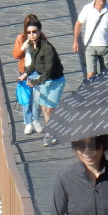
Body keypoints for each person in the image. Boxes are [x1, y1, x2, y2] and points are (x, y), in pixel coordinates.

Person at [20, 16, 65, 146]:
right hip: (44, 81)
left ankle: (49, 134)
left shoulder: (47, 47)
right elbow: (34, 65)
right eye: (29, 32)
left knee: (50, 108)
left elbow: (48, 70)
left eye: (34, 32)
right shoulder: (33, 46)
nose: (32, 35)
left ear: (40, 32)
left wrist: (36, 82)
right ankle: (53, 132)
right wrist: (25, 74)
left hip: (56, 80)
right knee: (45, 108)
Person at [72, 0, 108, 78]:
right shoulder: (87, 8)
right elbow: (78, 24)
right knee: (91, 74)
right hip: (90, 46)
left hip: (106, 46)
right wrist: (75, 41)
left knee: (106, 75)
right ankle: (90, 91)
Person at [12, 13, 43, 134]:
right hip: (25, 71)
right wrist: (24, 45)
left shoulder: (41, 37)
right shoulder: (21, 38)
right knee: (26, 99)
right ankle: (28, 123)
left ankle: (36, 120)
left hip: (37, 71)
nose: (31, 33)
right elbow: (16, 55)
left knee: (37, 98)